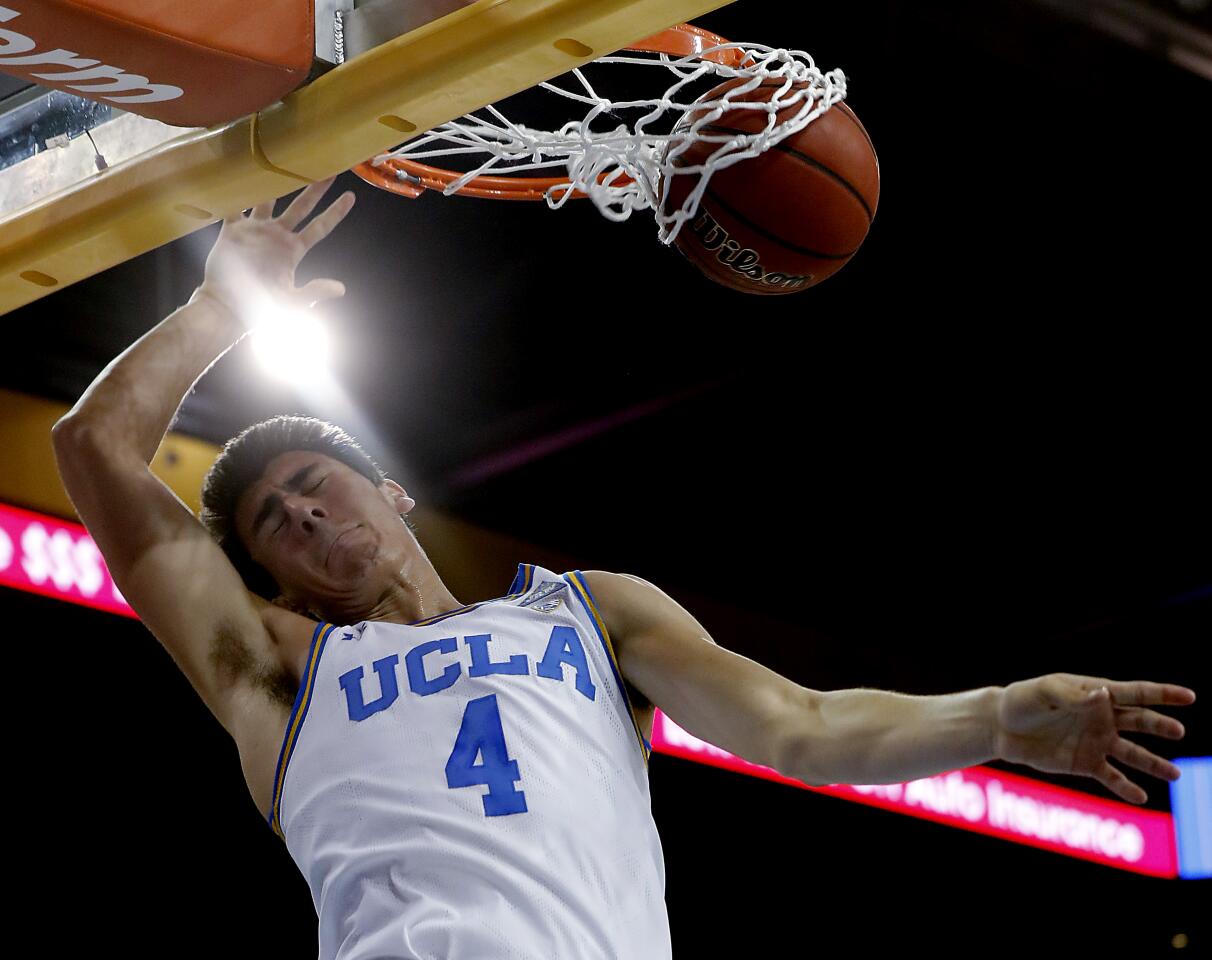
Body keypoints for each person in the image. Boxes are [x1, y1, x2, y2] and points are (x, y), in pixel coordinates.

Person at [50, 177, 1196, 960]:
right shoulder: (278, 667)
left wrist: (991, 718)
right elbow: (93, 449)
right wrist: (214, 312)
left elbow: (798, 725)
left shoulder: (590, 614)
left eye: (316, 480)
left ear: (391, 490)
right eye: (269, 520)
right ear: (278, 581)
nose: (299, 509)